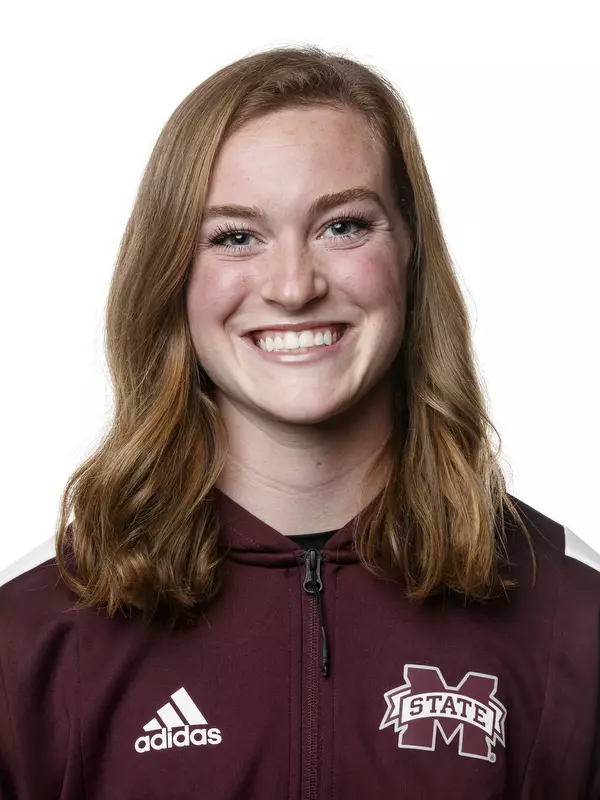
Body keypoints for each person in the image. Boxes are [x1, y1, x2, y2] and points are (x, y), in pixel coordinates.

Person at [0, 44, 598, 800]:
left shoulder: (569, 616)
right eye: (235, 236)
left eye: (343, 226)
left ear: (411, 254)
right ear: (170, 275)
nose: (292, 286)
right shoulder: (31, 633)